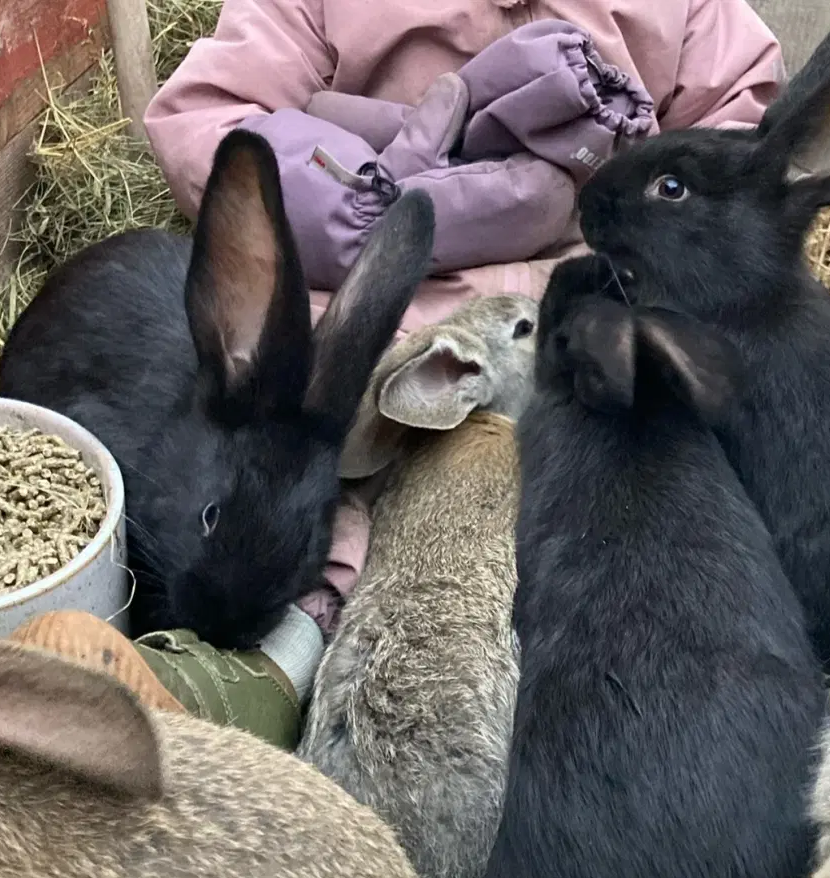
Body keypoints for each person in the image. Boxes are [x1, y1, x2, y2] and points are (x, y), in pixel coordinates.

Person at [142, 0, 787, 641]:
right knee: (321, 499)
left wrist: (647, 242)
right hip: (376, 306)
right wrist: (349, 197)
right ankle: (294, 646)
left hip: (585, 303)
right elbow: (208, 113)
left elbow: (737, 130)